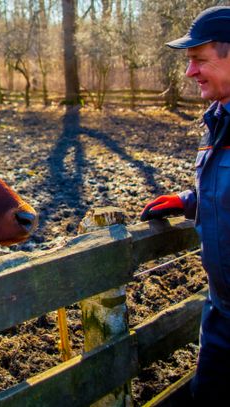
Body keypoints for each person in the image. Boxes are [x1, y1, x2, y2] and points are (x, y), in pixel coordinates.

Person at [140, 6, 230, 404]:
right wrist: (189, 200)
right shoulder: (218, 119)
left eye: (199, 61)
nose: (190, 73)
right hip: (222, 315)